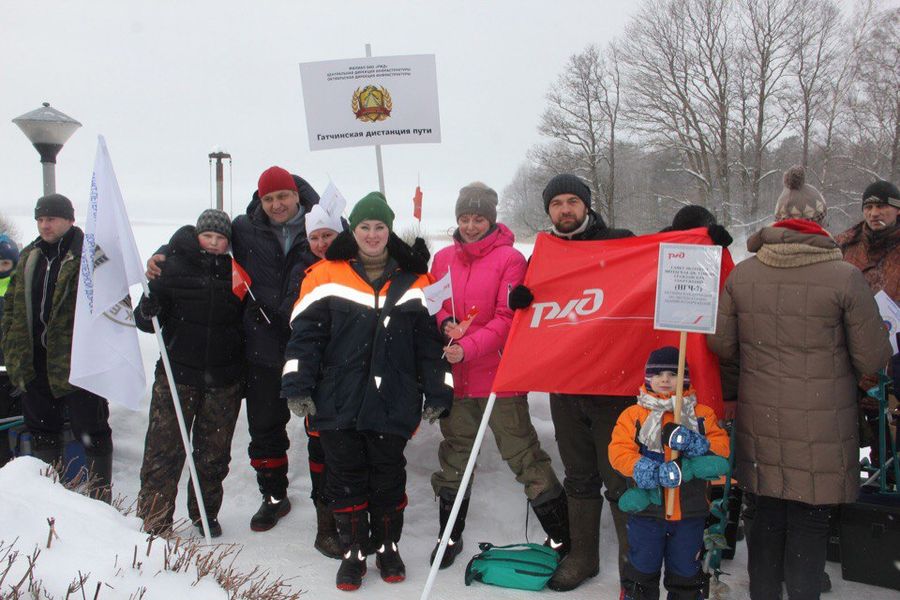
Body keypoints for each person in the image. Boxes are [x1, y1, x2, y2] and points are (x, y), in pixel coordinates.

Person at [708, 166, 892, 600]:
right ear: (820, 223)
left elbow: (722, 345)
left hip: (761, 418)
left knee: (765, 514)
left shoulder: (745, 275)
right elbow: (871, 358)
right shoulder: (845, 276)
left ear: (777, 222)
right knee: (810, 521)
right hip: (823, 425)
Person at [282, 192, 453, 591]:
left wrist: (439, 393)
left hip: (393, 399)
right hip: (337, 398)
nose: (372, 234)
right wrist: (297, 385)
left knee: (388, 479)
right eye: (364, 227)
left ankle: (388, 546)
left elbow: (430, 347)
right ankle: (353, 553)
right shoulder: (324, 274)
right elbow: (303, 340)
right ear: (352, 230)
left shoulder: (416, 280)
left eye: (379, 227)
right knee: (345, 480)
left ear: (389, 230)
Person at [146, 165, 319, 531]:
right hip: (260, 349)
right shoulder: (244, 228)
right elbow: (201, 240)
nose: (276, 204)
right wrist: (163, 253)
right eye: (269, 198)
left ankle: (331, 504)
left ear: (296, 196)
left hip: (312, 347)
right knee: (266, 428)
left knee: (322, 429)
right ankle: (274, 497)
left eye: (282, 196)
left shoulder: (320, 223)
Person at [428, 182, 567, 569]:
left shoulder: (510, 259)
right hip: (457, 379)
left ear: (491, 219)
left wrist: (468, 346)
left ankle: (561, 535)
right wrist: (446, 325)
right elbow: (436, 304)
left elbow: (509, 320)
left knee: (523, 453)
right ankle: (448, 535)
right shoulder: (442, 258)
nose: (470, 226)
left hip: (499, 378)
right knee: (455, 455)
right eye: (464, 218)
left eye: (479, 218)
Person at [508, 173, 634, 591]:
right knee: (579, 476)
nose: (565, 209)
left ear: (586, 205)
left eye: (572, 202)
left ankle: (634, 564)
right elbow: (532, 303)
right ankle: (583, 556)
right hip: (565, 385)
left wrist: (700, 230)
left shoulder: (619, 241)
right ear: (548, 210)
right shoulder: (545, 254)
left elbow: (661, 262)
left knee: (620, 475)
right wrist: (521, 299)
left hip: (613, 384)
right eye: (557, 203)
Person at [134, 209, 245, 538]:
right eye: (208, 236)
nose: (213, 243)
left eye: (220, 238)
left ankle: (205, 513)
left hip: (223, 381)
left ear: (228, 243)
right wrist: (147, 308)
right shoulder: (171, 266)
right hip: (176, 376)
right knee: (163, 451)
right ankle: (155, 519)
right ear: (197, 236)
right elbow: (145, 320)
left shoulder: (237, 273)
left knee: (213, 455)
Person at [0, 194, 113, 500]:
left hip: (78, 362)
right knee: (42, 431)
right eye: (40, 219)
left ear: (69, 219)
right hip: (35, 361)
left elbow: (111, 304)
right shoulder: (29, 255)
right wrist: (13, 348)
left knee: (92, 431)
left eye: (51, 218)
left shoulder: (88, 254)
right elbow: (11, 307)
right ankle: (48, 501)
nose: (45, 225)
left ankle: (101, 501)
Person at [609, 346, 730, 599]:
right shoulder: (633, 416)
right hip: (647, 512)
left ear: (684, 379)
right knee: (642, 570)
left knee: (685, 572)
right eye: (658, 374)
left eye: (672, 374)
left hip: (689, 511)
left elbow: (722, 450)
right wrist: (647, 470)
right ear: (647, 378)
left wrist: (698, 445)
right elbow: (619, 452)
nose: (665, 379)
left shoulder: (700, 416)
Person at [835, 179, 900, 466]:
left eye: (882, 206)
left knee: (889, 446)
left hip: (894, 358)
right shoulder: (844, 246)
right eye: (869, 207)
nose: (875, 213)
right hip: (849, 354)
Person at [300, 200, 346, 559]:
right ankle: (324, 527)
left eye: (327, 235)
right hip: (319, 381)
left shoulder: (357, 269)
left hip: (353, 381)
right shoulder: (307, 273)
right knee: (321, 454)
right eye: (314, 237)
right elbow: (300, 335)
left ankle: (351, 523)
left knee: (350, 455)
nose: (320, 243)